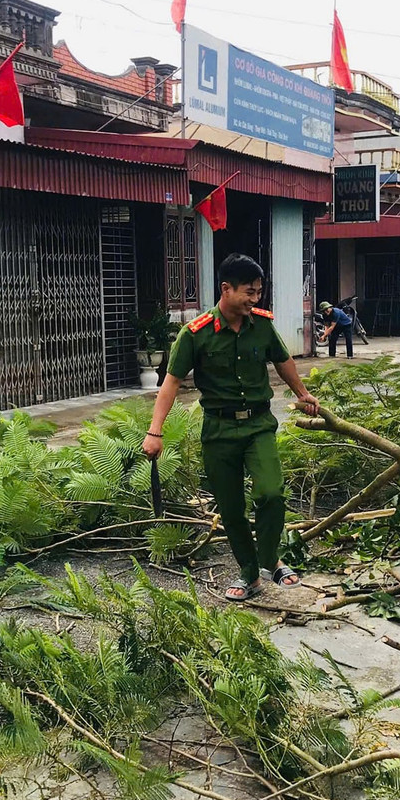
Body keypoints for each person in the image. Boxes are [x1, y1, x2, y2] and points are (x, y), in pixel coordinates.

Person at [143, 254, 320, 602]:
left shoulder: (262, 325)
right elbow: (172, 382)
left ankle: (269, 559)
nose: (255, 300)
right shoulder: (195, 334)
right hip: (219, 431)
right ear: (226, 289)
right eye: (249, 293)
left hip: (258, 426)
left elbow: (283, 361)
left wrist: (303, 392)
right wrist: (155, 432)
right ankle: (249, 574)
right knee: (232, 507)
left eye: (259, 292)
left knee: (271, 492)